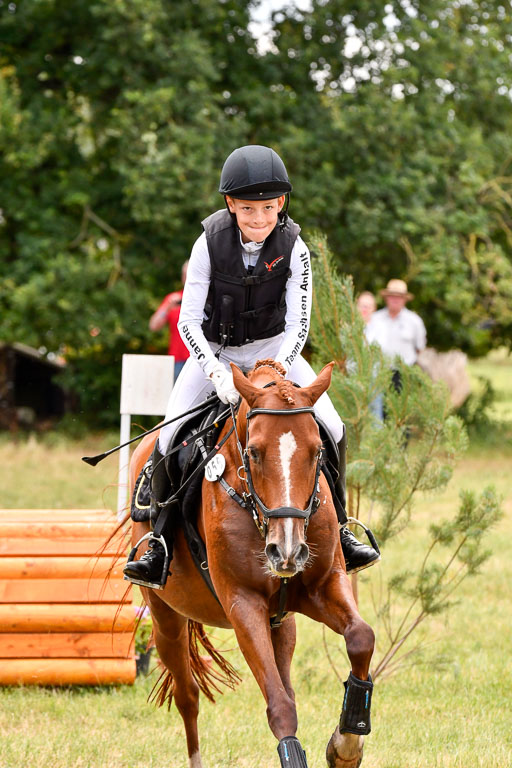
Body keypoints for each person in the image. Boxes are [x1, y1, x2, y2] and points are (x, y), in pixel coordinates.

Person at [124, 145, 380, 588]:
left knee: (334, 426)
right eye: (247, 209)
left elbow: (299, 322)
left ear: (280, 204)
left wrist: (274, 374)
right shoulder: (207, 243)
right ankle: (158, 545)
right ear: (230, 205)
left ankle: (341, 530)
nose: (258, 218)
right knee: (168, 433)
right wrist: (217, 374)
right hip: (214, 355)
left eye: (267, 208)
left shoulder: (295, 248)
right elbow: (187, 321)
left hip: (275, 351)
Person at [366, 279, 427, 415]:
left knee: (400, 412)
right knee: (379, 411)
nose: (395, 300)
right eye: (392, 296)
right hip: (379, 372)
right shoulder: (376, 318)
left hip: (403, 373)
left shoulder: (414, 321)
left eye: (399, 297)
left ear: (404, 299)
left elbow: (420, 347)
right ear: (387, 298)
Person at [149, 261, 190, 381]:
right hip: (177, 361)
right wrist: (166, 308)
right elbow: (153, 326)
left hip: (197, 360)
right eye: (185, 275)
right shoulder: (173, 299)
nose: (187, 278)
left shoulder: (206, 299)